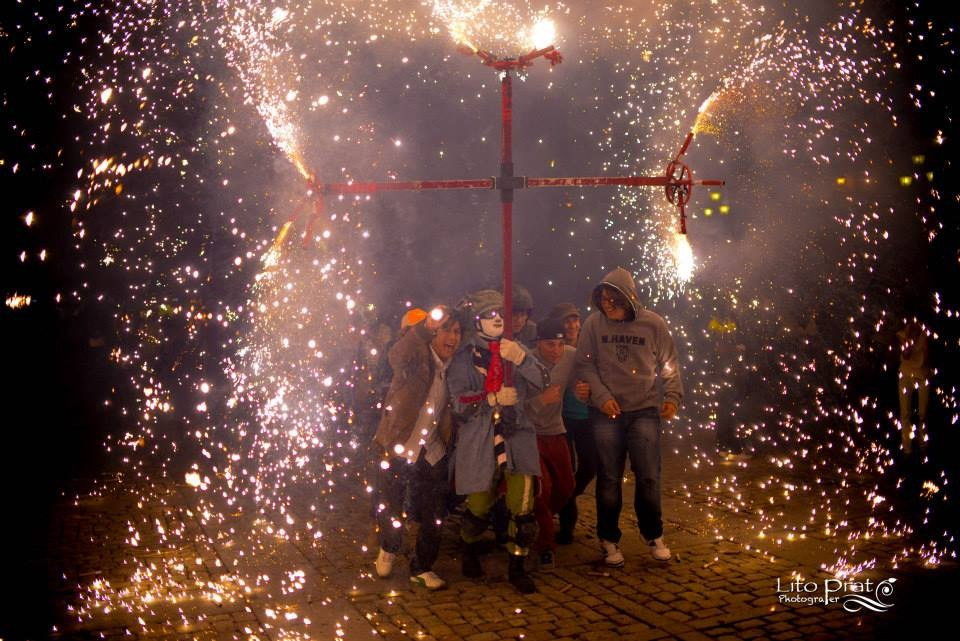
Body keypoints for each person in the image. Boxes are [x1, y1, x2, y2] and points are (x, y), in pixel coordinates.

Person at [576, 267, 683, 567]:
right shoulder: (593, 325)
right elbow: (585, 367)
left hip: (644, 410)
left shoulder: (653, 324)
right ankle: (609, 538)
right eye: (603, 298)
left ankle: (653, 534)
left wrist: (672, 397)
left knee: (648, 475)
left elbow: (670, 365)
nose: (607, 304)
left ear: (628, 297)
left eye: (613, 298)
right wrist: (602, 397)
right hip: (605, 412)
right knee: (609, 477)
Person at [447, 290, 549, 593]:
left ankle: (517, 565)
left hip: (517, 436)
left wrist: (522, 360)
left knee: (523, 508)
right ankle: (469, 548)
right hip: (480, 440)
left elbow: (542, 379)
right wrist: (490, 398)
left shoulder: (515, 349)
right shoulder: (464, 359)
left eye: (500, 316)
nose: (498, 321)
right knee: (478, 506)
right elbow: (458, 403)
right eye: (490, 316)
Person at [372, 306, 462, 590]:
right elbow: (397, 355)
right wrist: (423, 328)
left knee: (435, 511)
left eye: (457, 331)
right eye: (446, 330)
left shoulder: (456, 369)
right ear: (433, 333)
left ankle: (422, 567)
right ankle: (388, 546)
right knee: (391, 503)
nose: (452, 337)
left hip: (432, 448)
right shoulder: (416, 358)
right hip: (399, 443)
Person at [523, 316, 586, 569]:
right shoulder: (524, 362)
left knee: (567, 485)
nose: (556, 351)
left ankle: (537, 522)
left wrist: (582, 388)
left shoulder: (569, 356)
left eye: (560, 345)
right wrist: (541, 400)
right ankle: (546, 544)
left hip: (555, 430)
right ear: (539, 343)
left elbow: (584, 373)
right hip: (529, 434)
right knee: (543, 489)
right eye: (550, 345)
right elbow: (513, 410)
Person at [548, 303, 596, 544]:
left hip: (587, 417)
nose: (572, 325)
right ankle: (567, 528)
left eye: (575, 319)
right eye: (566, 321)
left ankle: (565, 496)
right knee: (567, 467)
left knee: (592, 464)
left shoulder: (588, 346)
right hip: (563, 417)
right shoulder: (555, 349)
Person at [897, 319, 930, 455]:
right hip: (906, 375)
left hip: (923, 375)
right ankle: (907, 450)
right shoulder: (902, 335)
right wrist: (908, 341)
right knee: (905, 413)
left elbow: (928, 358)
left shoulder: (925, 335)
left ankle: (923, 447)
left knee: (923, 414)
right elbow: (905, 354)